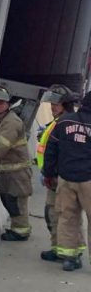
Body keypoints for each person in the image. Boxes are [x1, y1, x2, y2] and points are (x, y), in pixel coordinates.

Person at [42, 91, 91, 271]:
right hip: (89, 180)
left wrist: (48, 174)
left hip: (66, 179)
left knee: (67, 216)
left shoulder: (64, 122)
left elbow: (51, 150)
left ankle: (70, 258)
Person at [0, 86, 33, 241]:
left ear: (8, 103)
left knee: (17, 202)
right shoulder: (0, 120)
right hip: (9, 171)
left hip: (18, 172)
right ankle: (18, 229)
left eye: (1, 102)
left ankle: (21, 232)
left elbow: (3, 144)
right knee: (9, 199)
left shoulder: (11, 122)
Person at [36, 84, 79, 261]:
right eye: (52, 103)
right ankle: (57, 248)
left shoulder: (65, 123)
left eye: (57, 104)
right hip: (52, 177)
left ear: (65, 105)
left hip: (58, 178)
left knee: (61, 216)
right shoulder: (58, 122)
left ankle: (69, 252)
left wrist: (51, 174)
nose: (53, 107)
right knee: (53, 215)